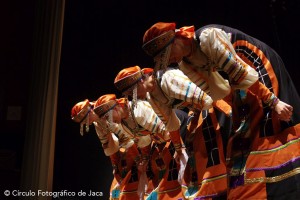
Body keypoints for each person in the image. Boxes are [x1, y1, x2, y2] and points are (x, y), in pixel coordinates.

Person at [142, 22, 300, 199]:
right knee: (243, 134)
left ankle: (284, 184)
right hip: (237, 82)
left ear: (176, 41)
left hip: (253, 64)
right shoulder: (186, 64)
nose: (168, 61)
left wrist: (274, 101)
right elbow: (215, 93)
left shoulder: (208, 38)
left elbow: (240, 73)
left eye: (167, 54)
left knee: (266, 124)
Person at [114, 65, 232, 199]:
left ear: (141, 81)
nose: (133, 97)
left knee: (211, 135)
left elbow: (205, 96)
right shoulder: (151, 97)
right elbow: (170, 123)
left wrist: (230, 111)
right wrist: (179, 148)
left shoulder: (167, 79)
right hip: (195, 110)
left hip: (216, 99)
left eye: (133, 92)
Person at [93, 94, 187, 200]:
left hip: (176, 126)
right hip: (160, 138)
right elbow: (143, 141)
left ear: (116, 108)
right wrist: (144, 159)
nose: (109, 122)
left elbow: (166, 130)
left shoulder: (138, 111)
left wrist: (179, 148)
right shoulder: (121, 124)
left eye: (108, 117)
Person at [71, 99, 142, 199]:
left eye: (86, 119)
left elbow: (124, 137)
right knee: (117, 186)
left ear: (90, 111)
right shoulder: (98, 123)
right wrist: (115, 165)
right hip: (127, 145)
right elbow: (107, 144)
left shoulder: (106, 113)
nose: (87, 123)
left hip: (137, 131)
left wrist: (138, 160)